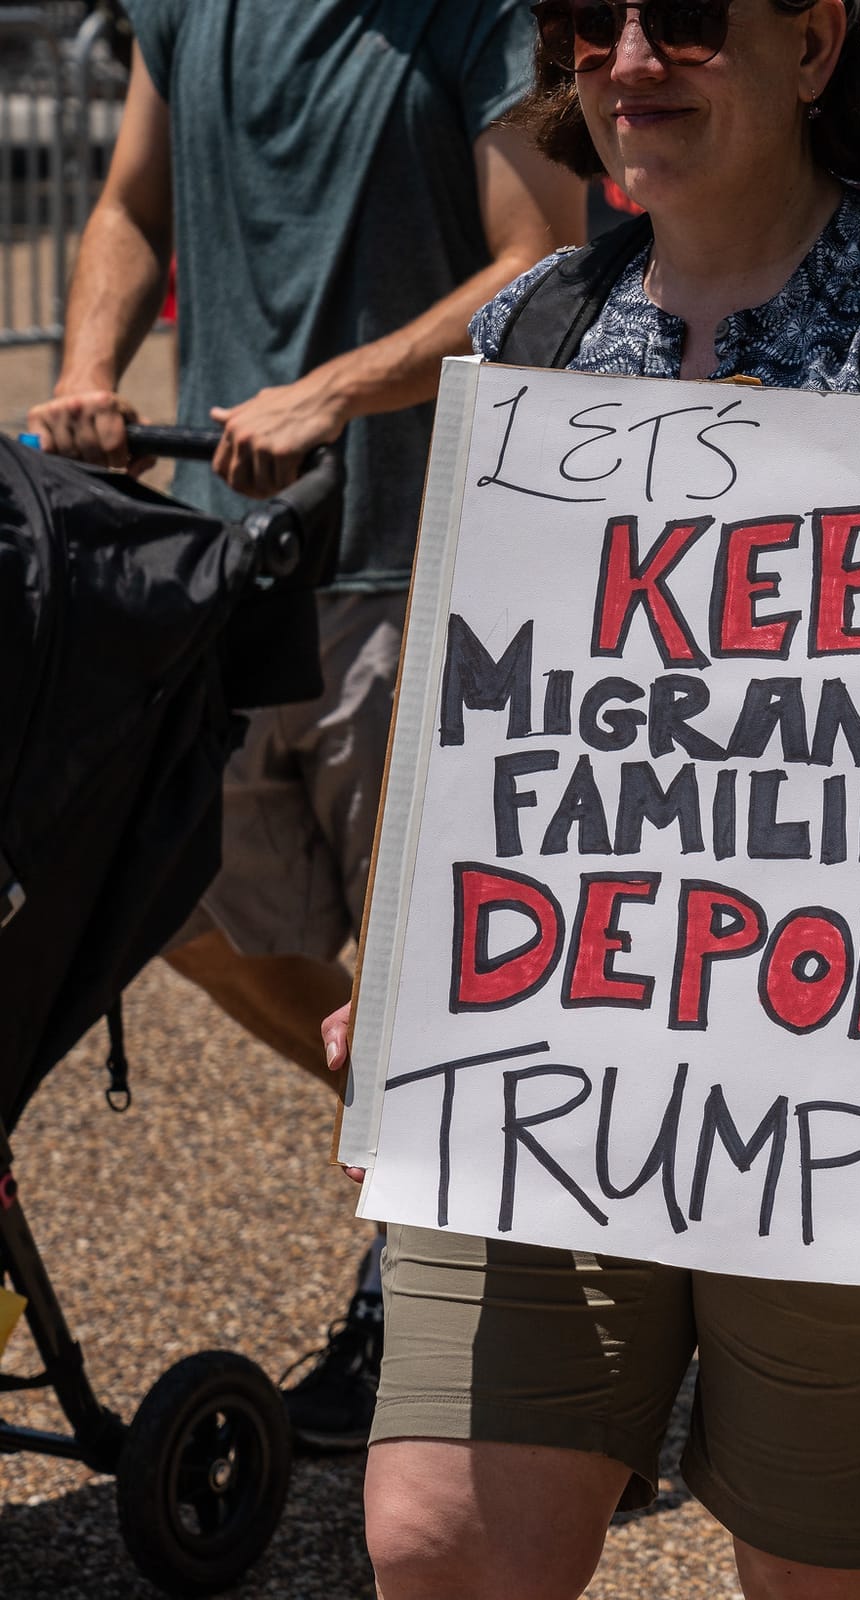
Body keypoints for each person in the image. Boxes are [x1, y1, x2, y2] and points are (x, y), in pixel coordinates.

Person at [319, 1, 860, 1594]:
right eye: (591, 22)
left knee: (820, 1576)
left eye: (691, 18)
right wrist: (399, 971)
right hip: (544, 1064)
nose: (633, 60)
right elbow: (472, 700)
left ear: (818, 45)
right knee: (438, 1550)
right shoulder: (531, 337)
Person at [26, 1, 584, 1451]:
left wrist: (337, 391)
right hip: (231, 566)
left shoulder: (477, 18)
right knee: (182, 907)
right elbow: (128, 207)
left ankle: (438, 1312)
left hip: (428, 550)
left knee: (433, 966)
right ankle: (427, 1150)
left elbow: (544, 257)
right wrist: (92, 369)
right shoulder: (188, 10)